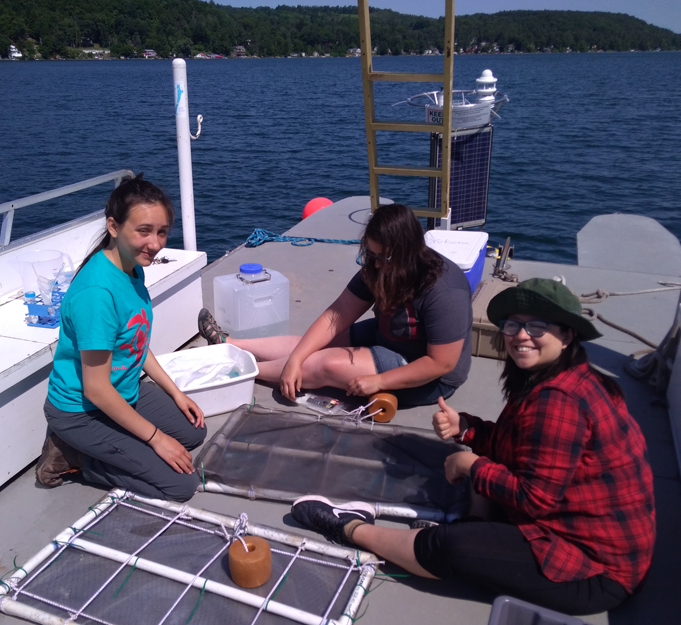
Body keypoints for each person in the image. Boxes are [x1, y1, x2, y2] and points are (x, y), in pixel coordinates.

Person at [290, 278, 656, 616]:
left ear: (567, 336)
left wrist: (469, 464)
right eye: (513, 325)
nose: (521, 336)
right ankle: (476, 525)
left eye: (538, 326)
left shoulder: (560, 400)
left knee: (450, 547)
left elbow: (535, 499)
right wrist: (467, 429)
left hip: (592, 569)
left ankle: (348, 528)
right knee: (479, 475)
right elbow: (522, 448)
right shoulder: (559, 379)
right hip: (573, 525)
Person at [35, 174, 206, 501]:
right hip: (82, 410)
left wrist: (176, 392)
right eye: (143, 231)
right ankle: (72, 457)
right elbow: (96, 389)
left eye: (162, 232)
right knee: (181, 485)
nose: (155, 244)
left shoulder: (132, 266)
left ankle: (121, 442)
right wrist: (156, 438)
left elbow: (135, 341)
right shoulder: (97, 294)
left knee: (193, 431)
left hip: (124, 388)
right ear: (113, 227)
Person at [197, 203, 473, 406]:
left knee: (324, 363)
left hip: (426, 373)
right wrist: (295, 359)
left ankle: (239, 372)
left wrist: (379, 382)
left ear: (408, 253)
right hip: (388, 335)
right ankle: (231, 344)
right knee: (312, 344)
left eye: (384, 258)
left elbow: (440, 363)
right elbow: (335, 317)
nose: (376, 264)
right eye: (372, 255)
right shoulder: (379, 268)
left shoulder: (445, 290)